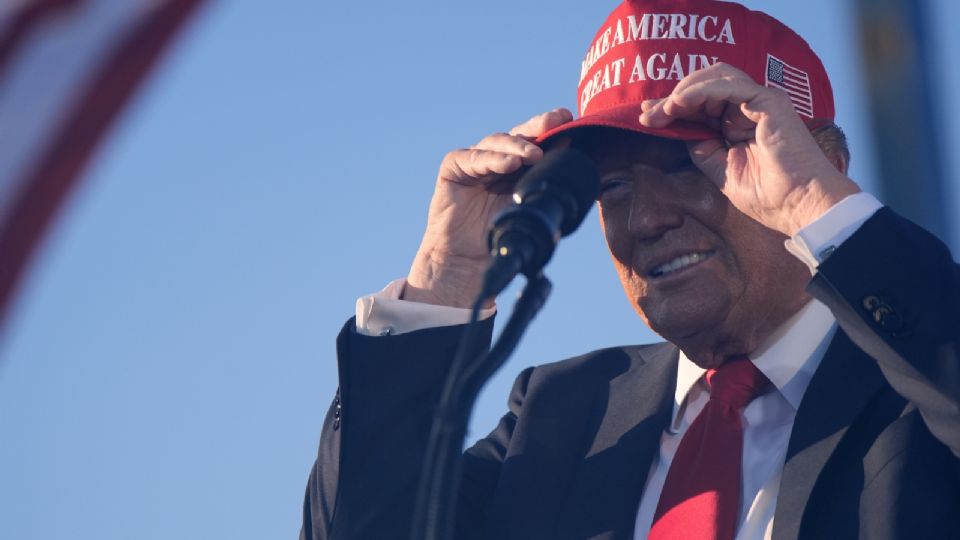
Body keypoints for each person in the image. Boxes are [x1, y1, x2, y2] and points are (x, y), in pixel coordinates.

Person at [300, 0, 960, 538]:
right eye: (611, 189)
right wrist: (444, 279)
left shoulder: (916, 382)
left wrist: (818, 210)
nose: (645, 219)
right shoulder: (557, 417)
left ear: (818, 168)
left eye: (691, 165)